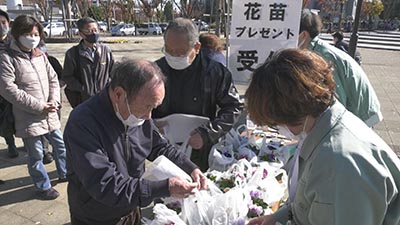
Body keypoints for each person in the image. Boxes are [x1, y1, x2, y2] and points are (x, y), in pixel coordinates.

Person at [245, 48, 400, 225]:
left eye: (275, 123)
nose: (279, 129)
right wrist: (278, 218)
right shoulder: (322, 128)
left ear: (291, 112)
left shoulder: (338, 165)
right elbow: (307, 200)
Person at [64, 59, 207, 225]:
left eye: (154, 108)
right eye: (147, 107)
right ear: (119, 94)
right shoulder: (83, 123)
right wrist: (164, 188)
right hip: (97, 216)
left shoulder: (137, 113)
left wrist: (190, 168)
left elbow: (159, 146)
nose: (149, 117)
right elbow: (106, 184)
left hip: (132, 207)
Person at [153, 18, 242, 171]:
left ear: (197, 47)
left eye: (180, 52)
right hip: (162, 147)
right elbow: (139, 108)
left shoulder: (215, 72)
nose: (173, 56)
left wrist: (208, 134)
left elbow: (233, 107)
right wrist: (151, 125)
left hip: (201, 149)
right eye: (168, 50)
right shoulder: (155, 71)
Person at [0, 15, 67, 200]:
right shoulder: (7, 57)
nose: (33, 37)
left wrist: (54, 100)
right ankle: (42, 186)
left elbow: (53, 78)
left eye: (36, 33)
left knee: (60, 146)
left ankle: (65, 173)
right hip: (28, 115)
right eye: (28, 34)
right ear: (18, 34)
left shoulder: (39, 55)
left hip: (50, 113)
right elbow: (7, 88)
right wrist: (38, 106)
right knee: (36, 153)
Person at [298, 9, 382, 127]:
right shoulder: (315, 50)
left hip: (360, 114)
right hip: (353, 108)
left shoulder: (322, 57)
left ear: (303, 35)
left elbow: (336, 104)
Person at [62, 17, 114, 108]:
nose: (94, 33)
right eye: (89, 31)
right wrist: (83, 89)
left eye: (96, 30)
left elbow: (112, 72)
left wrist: (108, 88)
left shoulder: (105, 51)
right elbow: (67, 76)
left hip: (104, 100)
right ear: (81, 34)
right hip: (83, 102)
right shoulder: (72, 54)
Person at [0, 9, 18, 158]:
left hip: (17, 86)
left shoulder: (16, 41)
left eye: (3, 22)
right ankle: (10, 144)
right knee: (5, 120)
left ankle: (33, 145)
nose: (1, 26)